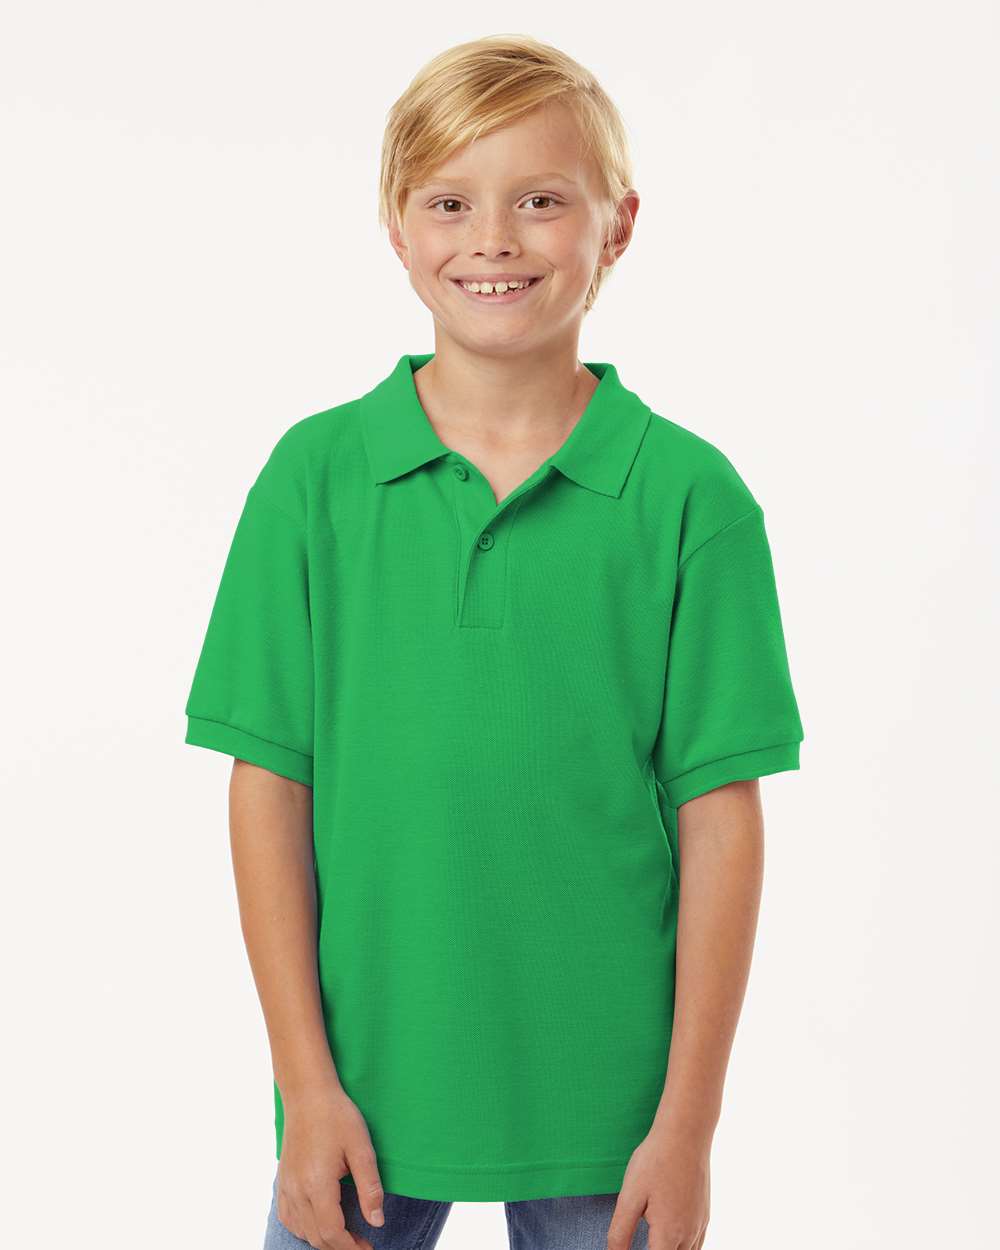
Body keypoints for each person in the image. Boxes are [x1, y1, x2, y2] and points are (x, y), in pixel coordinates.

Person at [184, 33, 805, 1250]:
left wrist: (687, 1123)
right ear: (396, 226)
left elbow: (721, 817)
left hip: (612, 1110)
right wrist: (304, 1087)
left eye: (540, 201)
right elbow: (267, 787)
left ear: (617, 227)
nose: (494, 239)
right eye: (450, 202)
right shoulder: (312, 480)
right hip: (360, 1089)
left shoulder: (691, 498)